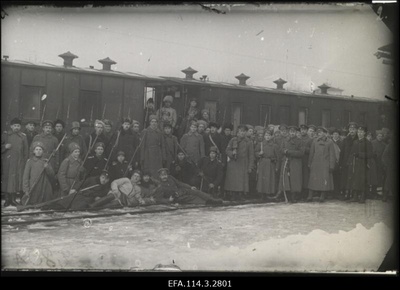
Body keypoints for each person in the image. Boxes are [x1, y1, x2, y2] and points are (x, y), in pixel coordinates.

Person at [42, 170, 111, 211]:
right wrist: (75, 188)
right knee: (66, 200)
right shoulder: (92, 179)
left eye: (106, 179)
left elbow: (99, 194)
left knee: (77, 205)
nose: (104, 180)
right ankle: (49, 207)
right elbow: (81, 183)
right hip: (81, 194)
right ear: (100, 177)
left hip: (88, 198)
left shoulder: (106, 188)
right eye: (103, 177)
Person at [153, 168, 223, 206]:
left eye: (165, 175)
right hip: (176, 197)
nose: (164, 177)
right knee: (191, 198)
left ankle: (211, 198)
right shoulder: (160, 185)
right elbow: (158, 199)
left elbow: (179, 183)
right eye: (162, 175)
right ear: (159, 176)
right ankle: (207, 202)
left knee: (195, 191)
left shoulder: (170, 178)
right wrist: (168, 200)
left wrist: (190, 187)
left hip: (181, 191)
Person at [90, 170, 155, 208]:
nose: (136, 177)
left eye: (138, 177)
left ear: (140, 179)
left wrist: (141, 200)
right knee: (111, 196)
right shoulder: (126, 180)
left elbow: (137, 196)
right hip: (116, 193)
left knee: (115, 204)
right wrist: (115, 190)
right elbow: (114, 182)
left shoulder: (138, 188)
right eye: (135, 175)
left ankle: (98, 208)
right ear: (132, 176)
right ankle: (92, 206)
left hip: (122, 200)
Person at [1, 117, 29, 206]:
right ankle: (6, 199)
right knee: (7, 179)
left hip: (18, 162)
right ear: (11, 126)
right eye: (14, 126)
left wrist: (24, 162)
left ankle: (13, 199)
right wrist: (5, 147)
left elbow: (26, 151)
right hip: (7, 162)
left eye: (18, 126)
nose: (16, 127)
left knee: (15, 180)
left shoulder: (23, 136)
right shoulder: (5, 135)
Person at [224, 124, 255, 201]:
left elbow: (251, 155)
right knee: (233, 180)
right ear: (238, 131)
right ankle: (232, 194)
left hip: (243, 164)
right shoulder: (233, 140)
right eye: (241, 131)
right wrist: (232, 154)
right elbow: (227, 150)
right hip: (233, 163)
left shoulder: (249, 142)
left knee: (241, 181)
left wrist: (250, 166)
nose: (242, 133)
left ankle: (240, 194)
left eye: (244, 131)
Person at [307, 127, 336, 202]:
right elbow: (311, 153)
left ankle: (322, 196)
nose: (319, 133)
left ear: (325, 133)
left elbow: (332, 155)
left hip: (325, 165)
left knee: (324, 180)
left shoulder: (330, 142)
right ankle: (310, 195)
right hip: (315, 164)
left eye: (320, 132)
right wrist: (309, 163)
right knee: (313, 180)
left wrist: (331, 166)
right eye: (318, 132)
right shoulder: (315, 141)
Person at [276, 126, 304, 203]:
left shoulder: (299, 141)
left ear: (296, 133)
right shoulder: (285, 140)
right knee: (286, 179)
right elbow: (281, 149)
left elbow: (301, 153)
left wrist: (289, 152)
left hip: (295, 162)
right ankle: (286, 195)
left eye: (293, 132)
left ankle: (294, 196)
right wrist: (284, 151)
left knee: (294, 179)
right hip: (286, 161)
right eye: (291, 132)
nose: (292, 133)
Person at [347, 126, 373, 203]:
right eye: (358, 132)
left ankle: (362, 197)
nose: (359, 134)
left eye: (361, 132)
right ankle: (355, 196)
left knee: (362, 180)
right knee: (355, 180)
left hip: (363, 164)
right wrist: (349, 161)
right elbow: (351, 153)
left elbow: (370, 154)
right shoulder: (355, 142)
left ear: (364, 133)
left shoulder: (368, 143)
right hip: (355, 164)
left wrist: (360, 154)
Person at [255, 130, 279, 200]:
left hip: (271, 164)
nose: (267, 137)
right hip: (263, 163)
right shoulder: (260, 144)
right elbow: (255, 152)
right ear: (264, 136)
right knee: (262, 179)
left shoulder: (274, 146)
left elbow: (278, 157)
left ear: (271, 136)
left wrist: (277, 166)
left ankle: (268, 193)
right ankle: (262, 193)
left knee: (269, 178)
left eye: (269, 135)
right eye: (266, 135)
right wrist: (259, 153)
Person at [339, 122, 358, 200]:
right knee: (345, 178)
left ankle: (354, 194)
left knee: (354, 178)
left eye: (353, 129)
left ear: (356, 130)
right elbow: (342, 152)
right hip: (346, 162)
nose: (352, 131)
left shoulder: (358, 139)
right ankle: (345, 194)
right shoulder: (345, 140)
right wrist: (341, 163)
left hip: (355, 162)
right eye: (350, 129)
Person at [370, 130, 386, 199]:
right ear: (376, 136)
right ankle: (371, 192)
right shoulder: (372, 143)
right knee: (373, 177)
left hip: (380, 164)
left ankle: (375, 192)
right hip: (373, 162)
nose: (380, 137)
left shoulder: (384, 145)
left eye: (381, 136)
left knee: (378, 178)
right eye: (378, 136)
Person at [299, 124, 313, 201]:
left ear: (307, 130)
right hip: (299, 160)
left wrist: (305, 149)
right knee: (299, 176)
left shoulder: (310, 139)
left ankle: (305, 193)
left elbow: (312, 150)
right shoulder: (298, 138)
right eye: (301, 130)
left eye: (304, 130)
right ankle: (299, 192)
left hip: (306, 159)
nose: (303, 131)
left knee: (306, 177)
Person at [330, 128, 342, 199]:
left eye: (337, 134)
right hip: (331, 162)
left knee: (338, 178)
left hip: (338, 163)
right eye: (334, 134)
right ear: (332, 135)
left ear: (339, 135)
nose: (335, 135)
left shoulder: (341, 143)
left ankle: (337, 193)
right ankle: (331, 193)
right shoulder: (330, 142)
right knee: (331, 178)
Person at [381, 137, 394, 202]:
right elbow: (384, 156)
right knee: (388, 180)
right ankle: (385, 195)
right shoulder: (390, 145)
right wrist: (388, 165)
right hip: (391, 166)